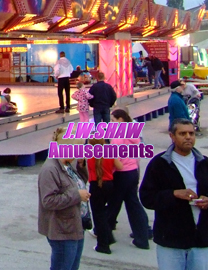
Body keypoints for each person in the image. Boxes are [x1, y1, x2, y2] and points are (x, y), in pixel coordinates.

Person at [139, 119, 208, 269]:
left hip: (201, 240)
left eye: (191, 133)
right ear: (172, 136)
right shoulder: (160, 164)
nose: (188, 137)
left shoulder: (204, 163)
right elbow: (146, 197)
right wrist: (173, 194)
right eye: (182, 133)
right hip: (171, 241)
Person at [38, 127, 90, 270]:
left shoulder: (67, 164)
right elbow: (48, 201)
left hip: (75, 226)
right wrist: (77, 195)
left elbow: (80, 182)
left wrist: (81, 165)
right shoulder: (50, 169)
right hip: (62, 231)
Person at [106, 108, 151, 250]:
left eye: (113, 120)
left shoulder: (118, 136)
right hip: (132, 171)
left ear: (120, 120)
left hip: (121, 173)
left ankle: (103, 232)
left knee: (114, 203)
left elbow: (115, 157)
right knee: (132, 204)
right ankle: (143, 233)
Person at [87, 138, 123, 254]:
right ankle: (108, 237)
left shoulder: (89, 154)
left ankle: (103, 244)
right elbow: (120, 166)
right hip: (109, 184)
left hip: (95, 184)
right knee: (103, 213)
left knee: (98, 215)